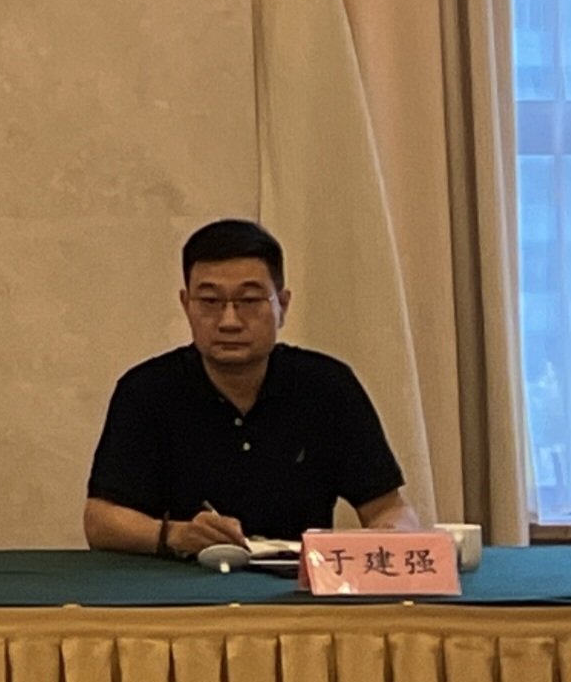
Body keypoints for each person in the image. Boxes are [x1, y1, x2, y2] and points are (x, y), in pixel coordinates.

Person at [84, 218, 414, 557]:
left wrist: (392, 538)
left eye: (250, 300)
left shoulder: (329, 387)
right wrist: (174, 534)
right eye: (210, 301)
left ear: (282, 305)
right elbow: (100, 521)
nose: (229, 321)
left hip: (295, 583)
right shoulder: (146, 391)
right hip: (182, 581)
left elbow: (388, 508)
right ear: (186, 305)